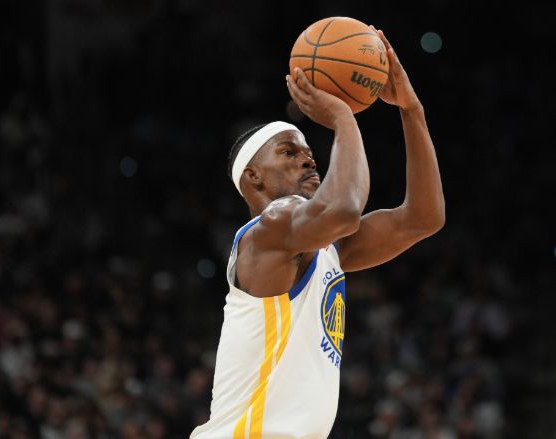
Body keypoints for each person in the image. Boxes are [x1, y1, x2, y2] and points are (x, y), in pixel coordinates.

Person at [190, 27, 445, 439]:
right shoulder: (269, 229)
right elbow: (344, 209)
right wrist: (343, 117)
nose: (309, 161)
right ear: (253, 177)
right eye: (288, 153)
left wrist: (411, 109)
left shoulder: (325, 248)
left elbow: (423, 218)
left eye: (310, 153)